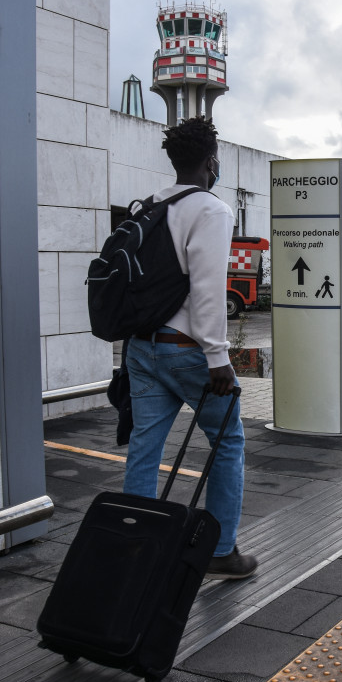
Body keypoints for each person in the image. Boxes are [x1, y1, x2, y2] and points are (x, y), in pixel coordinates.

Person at [123, 116, 256, 581]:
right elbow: (206, 290)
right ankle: (220, 550)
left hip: (140, 347)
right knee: (227, 443)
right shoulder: (211, 210)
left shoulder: (149, 206)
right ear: (211, 160)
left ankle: (133, 543)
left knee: (144, 447)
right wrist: (217, 358)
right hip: (187, 350)